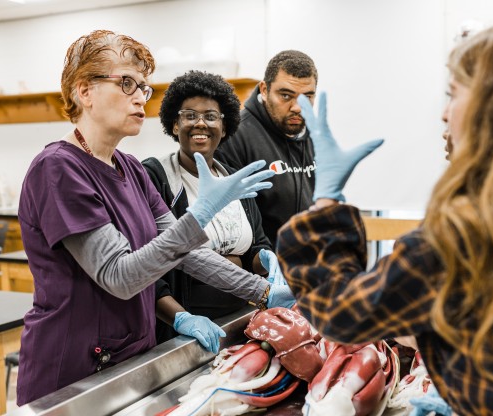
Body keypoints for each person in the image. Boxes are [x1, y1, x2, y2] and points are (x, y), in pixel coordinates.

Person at [277, 19, 493, 415]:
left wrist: (326, 202)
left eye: (452, 94)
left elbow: (342, 315)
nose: (443, 114)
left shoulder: (456, 241)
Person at [16, 30, 294, 405]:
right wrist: (199, 216)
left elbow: (186, 253)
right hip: (76, 369)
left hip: (131, 356)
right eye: (127, 83)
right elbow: (120, 276)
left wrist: (261, 291)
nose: (139, 98)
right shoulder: (59, 169)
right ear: (84, 92)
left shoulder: (128, 167)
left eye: (144, 88)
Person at [142, 70, 288, 345]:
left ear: (224, 126)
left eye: (211, 116)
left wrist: (266, 259)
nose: (200, 124)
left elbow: (255, 246)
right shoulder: (154, 177)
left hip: (242, 318)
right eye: (189, 115)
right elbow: (148, 265)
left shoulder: (234, 180)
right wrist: (180, 317)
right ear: (174, 124)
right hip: (184, 328)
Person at [215, 50, 318, 246]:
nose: (297, 107)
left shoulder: (313, 133)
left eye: (307, 97)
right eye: (286, 95)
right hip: (263, 270)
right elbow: (232, 224)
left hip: (309, 267)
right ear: (264, 89)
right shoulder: (234, 137)